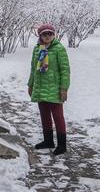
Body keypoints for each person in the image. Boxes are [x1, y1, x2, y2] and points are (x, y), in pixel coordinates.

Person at [27, 23, 70, 155]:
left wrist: (64, 88)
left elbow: (65, 70)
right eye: (44, 34)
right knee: (44, 115)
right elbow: (34, 69)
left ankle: (62, 145)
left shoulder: (59, 49)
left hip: (54, 89)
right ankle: (48, 141)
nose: (47, 36)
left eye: (50, 34)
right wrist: (30, 84)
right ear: (40, 35)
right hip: (40, 88)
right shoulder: (37, 49)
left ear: (54, 35)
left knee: (58, 117)